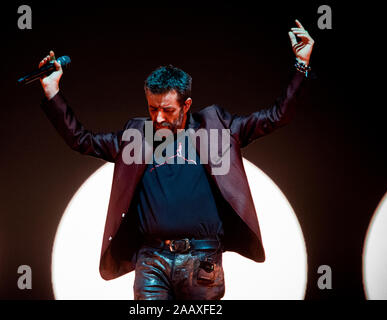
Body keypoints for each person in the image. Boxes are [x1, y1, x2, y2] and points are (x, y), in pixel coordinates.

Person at [39, 19, 314, 300]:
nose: (158, 117)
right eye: (152, 108)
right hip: (151, 261)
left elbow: (276, 116)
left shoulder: (216, 130)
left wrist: (301, 66)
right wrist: (52, 91)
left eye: (167, 110)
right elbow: (81, 140)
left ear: (186, 105)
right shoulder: (137, 137)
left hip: (201, 260)